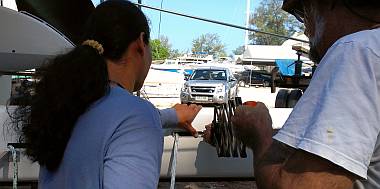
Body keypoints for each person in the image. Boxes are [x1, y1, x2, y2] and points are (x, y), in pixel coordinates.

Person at [10, 1, 201, 188]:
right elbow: (124, 120)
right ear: (141, 43)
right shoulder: (136, 115)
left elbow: (109, 122)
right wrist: (154, 117)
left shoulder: (67, 103)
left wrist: (173, 116)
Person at [205, 0, 380, 188]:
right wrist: (245, 132)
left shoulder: (357, 50)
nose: (304, 28)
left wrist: (260, 136)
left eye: (303, 12)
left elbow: (301, 185)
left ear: (331, 3)